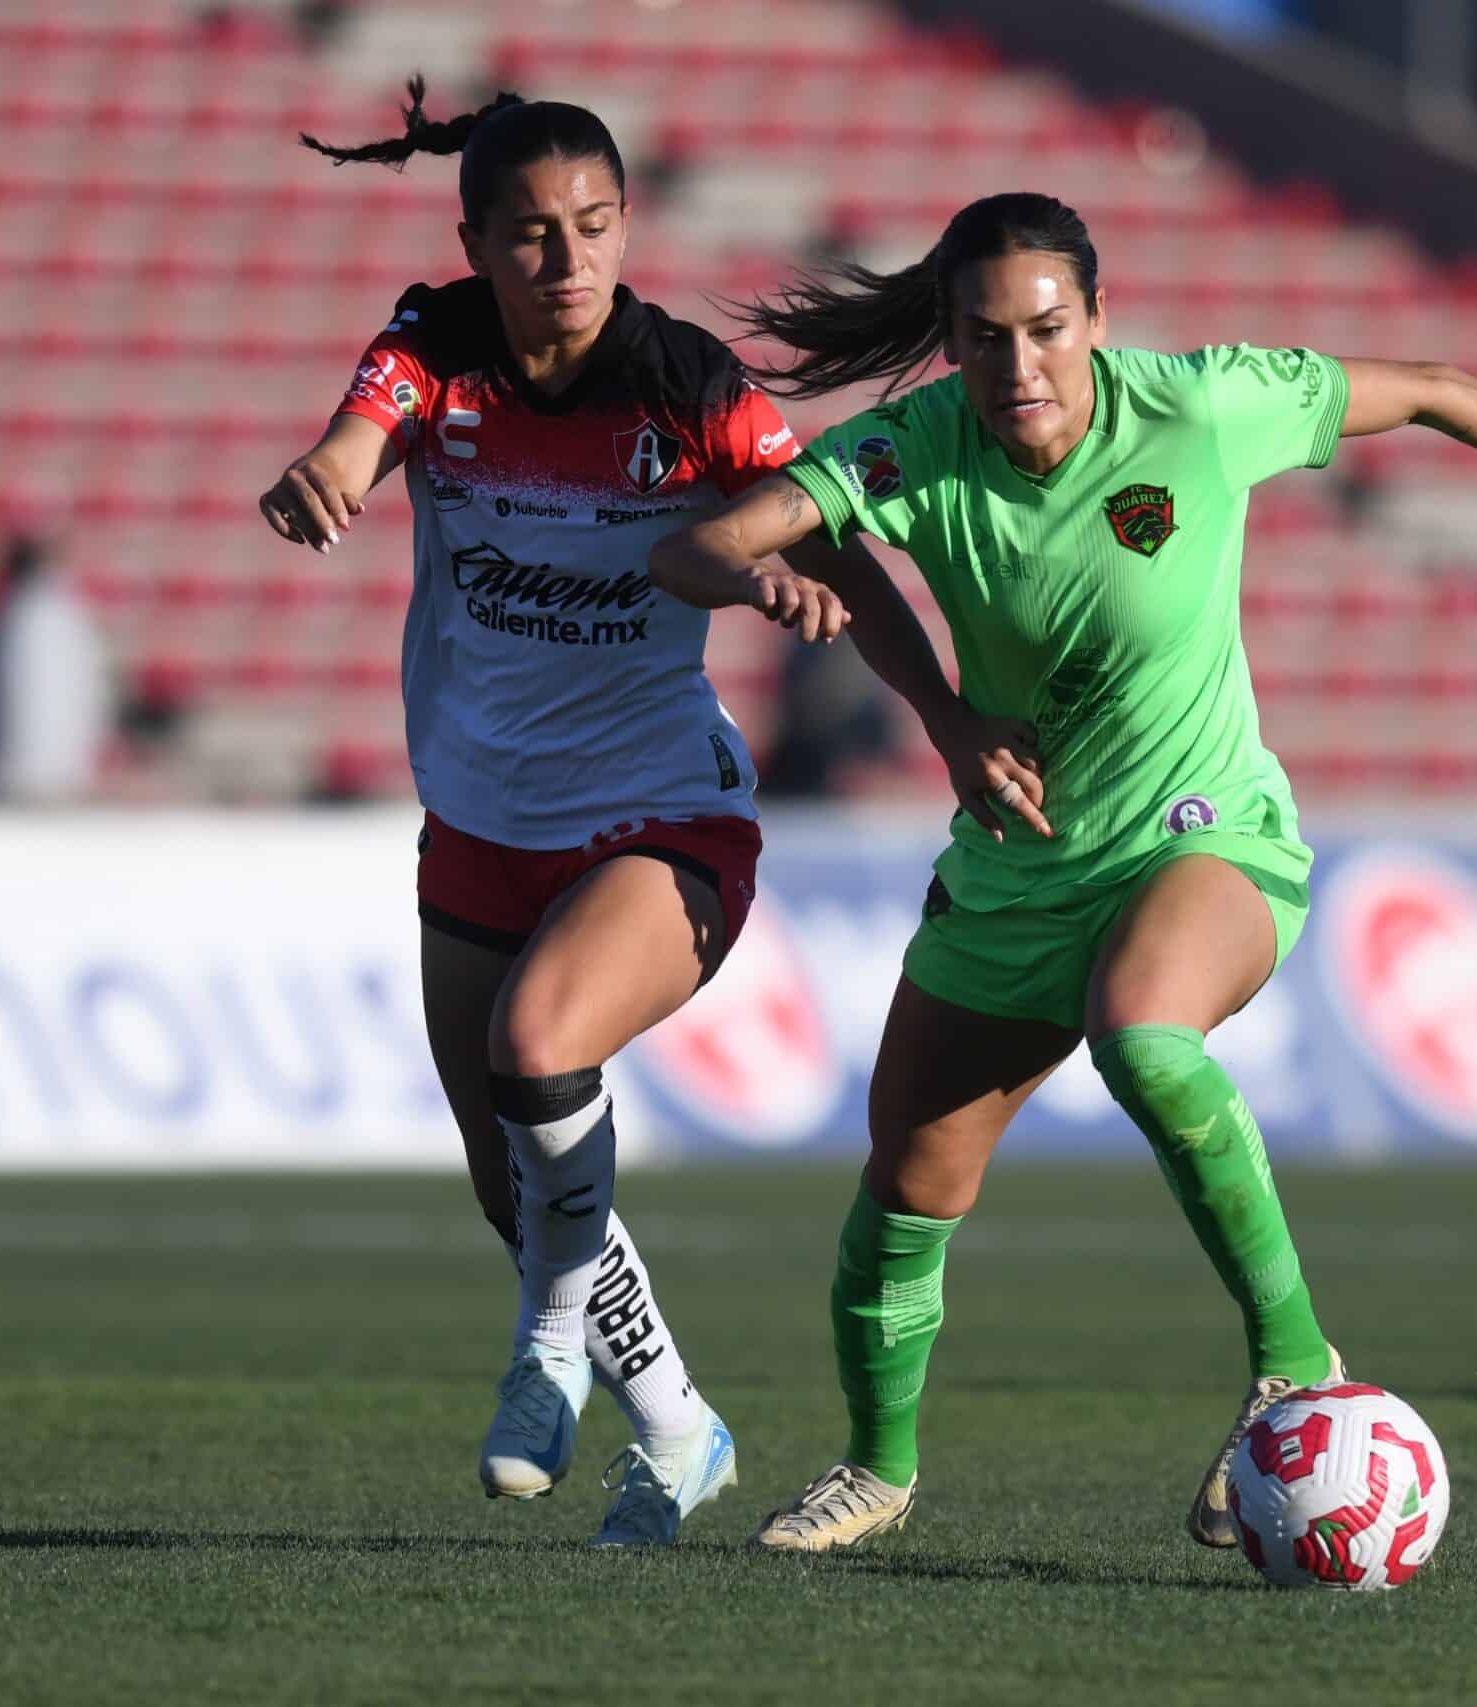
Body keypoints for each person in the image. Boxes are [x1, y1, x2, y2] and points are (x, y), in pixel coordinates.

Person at [649, 192, 1477, 1552]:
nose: (1020, 367)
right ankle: (878, 1470)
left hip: (1209, 838)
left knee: (1143, 1028)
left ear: (1101, 321)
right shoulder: (916, 447)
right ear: (949, 346)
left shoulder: (1198, 407)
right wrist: (781, 590)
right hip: (1021, 870)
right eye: (983, 339)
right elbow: (692, 547)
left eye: (1047, 330)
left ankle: (1295, 1360)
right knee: (904, 1188)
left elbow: (1429, 387)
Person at [257, 82, 994, 1547]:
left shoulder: (688, 386)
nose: (567, 259)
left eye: (593, 227)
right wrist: (328, 475)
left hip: (663, 818)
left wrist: (948, 719)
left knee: (539, 1048)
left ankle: (543, 1354)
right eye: (530, 234)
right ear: (474, 241)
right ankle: (675, 1424)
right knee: (507, 1177)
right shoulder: (435, 345)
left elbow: (831, 545)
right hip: (477, 817)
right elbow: (363, 432)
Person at [0, 535, 113, 805]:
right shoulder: (72, 614)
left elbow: (15, 697)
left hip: (17, 776)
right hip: (66, 775)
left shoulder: (18, 615)